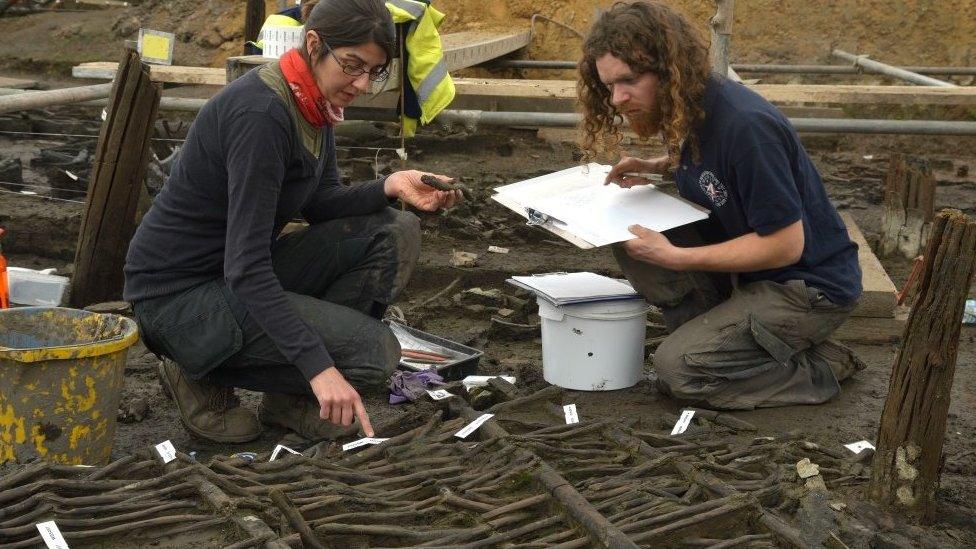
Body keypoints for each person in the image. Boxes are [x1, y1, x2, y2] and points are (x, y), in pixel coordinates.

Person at [124, 0, 461, 443]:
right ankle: (194, 370)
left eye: (374, 71)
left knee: (392, 230)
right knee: (374, 355)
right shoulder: (262, 116)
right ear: (315, 44)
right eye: (353, 65)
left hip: (228, 275)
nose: (361, 83)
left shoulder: (310, 101)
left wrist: (391, 186)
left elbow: (320, 202)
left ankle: (290, 401)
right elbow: (245, 267)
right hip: (178, 299)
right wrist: (319, 366)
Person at [577, 1, 864, 410]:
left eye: (629, 80)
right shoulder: (687, 109)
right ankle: (718, 339)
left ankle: (822, 366)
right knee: (627, 226)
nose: (618, 98)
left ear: (669, 67)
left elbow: (785, 246)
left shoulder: (746, 127)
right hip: (752, 275)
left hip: (805, 288)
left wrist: (677, 257)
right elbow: (717, 171)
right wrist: (659, 166)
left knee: (680, 372)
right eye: (608, 86)